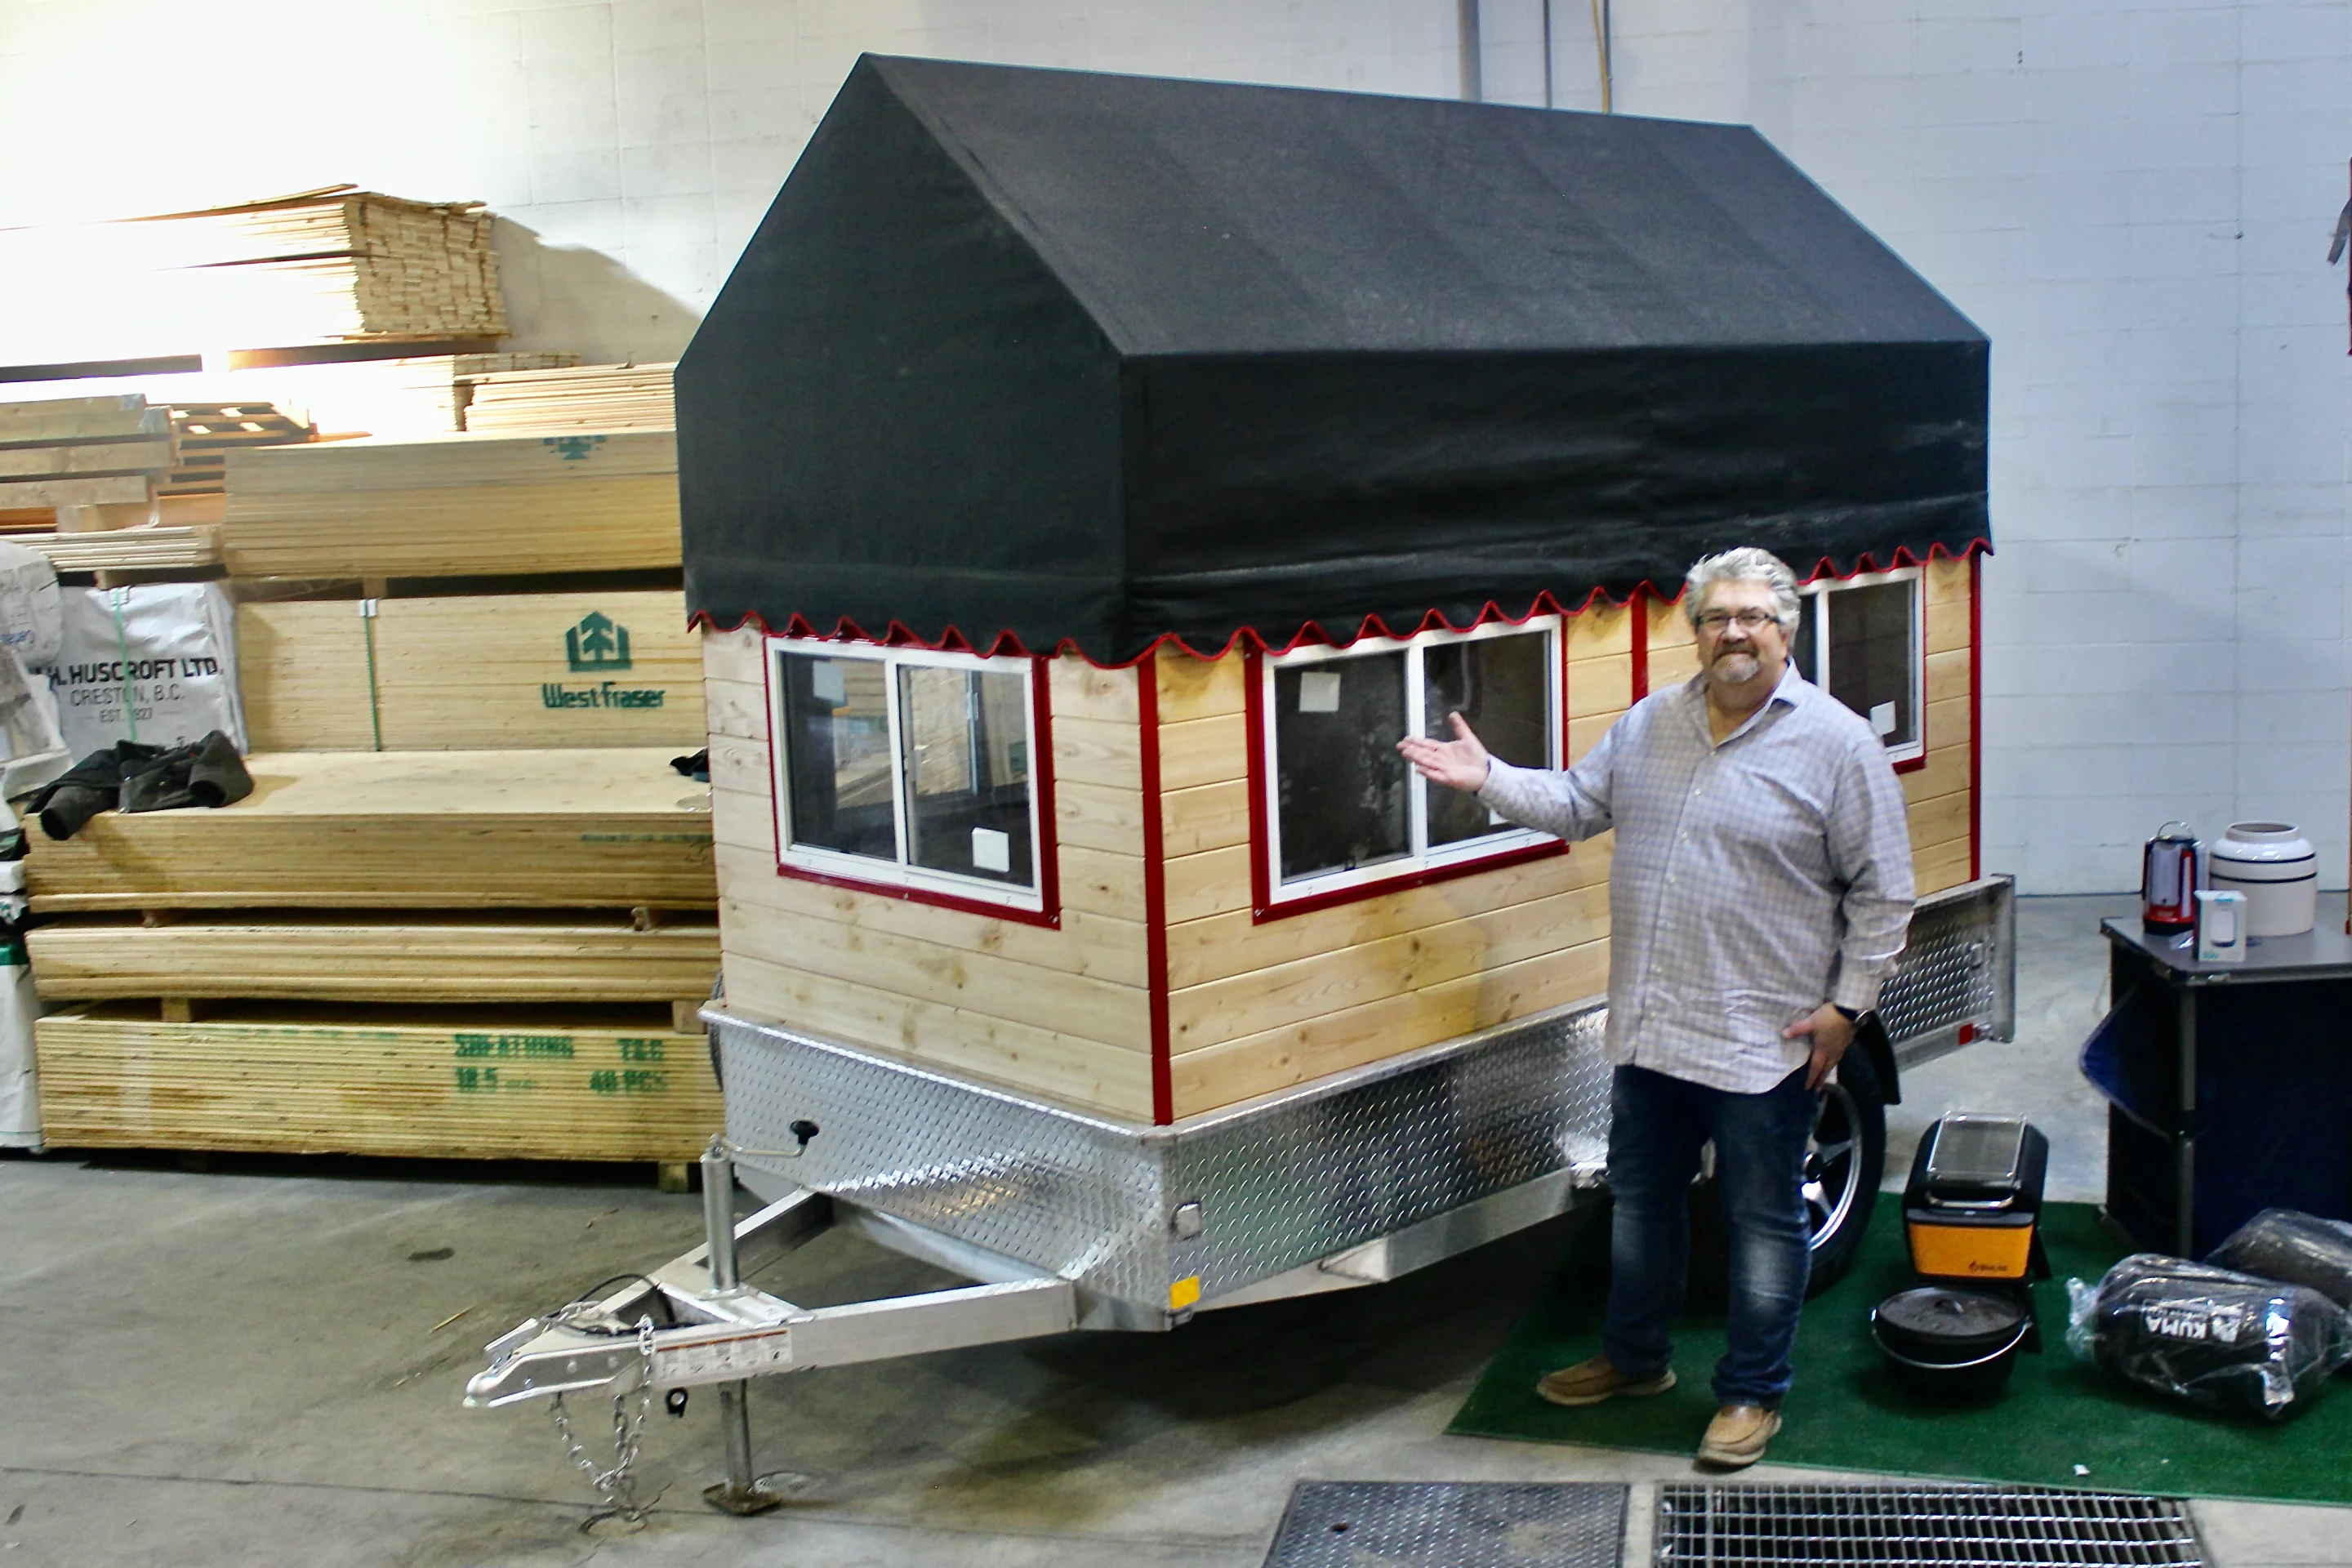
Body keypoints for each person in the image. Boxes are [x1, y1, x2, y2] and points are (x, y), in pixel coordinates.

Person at [1396, 546, 1914, 1468]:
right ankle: (1636, 1360)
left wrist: (1849, 1009)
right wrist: (1488, 779)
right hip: (1651, 1029)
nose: (1735, 633)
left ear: (1787, 630)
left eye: (1754, 616)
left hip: (1767, 1038)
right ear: (1697, 631)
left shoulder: (1838, 744)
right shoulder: (1650, 724)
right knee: (1641, 1205)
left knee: (1762, 1223)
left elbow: (1885, 893)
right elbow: (1577, 804)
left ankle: (1754, 1395)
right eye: (1718, 618)